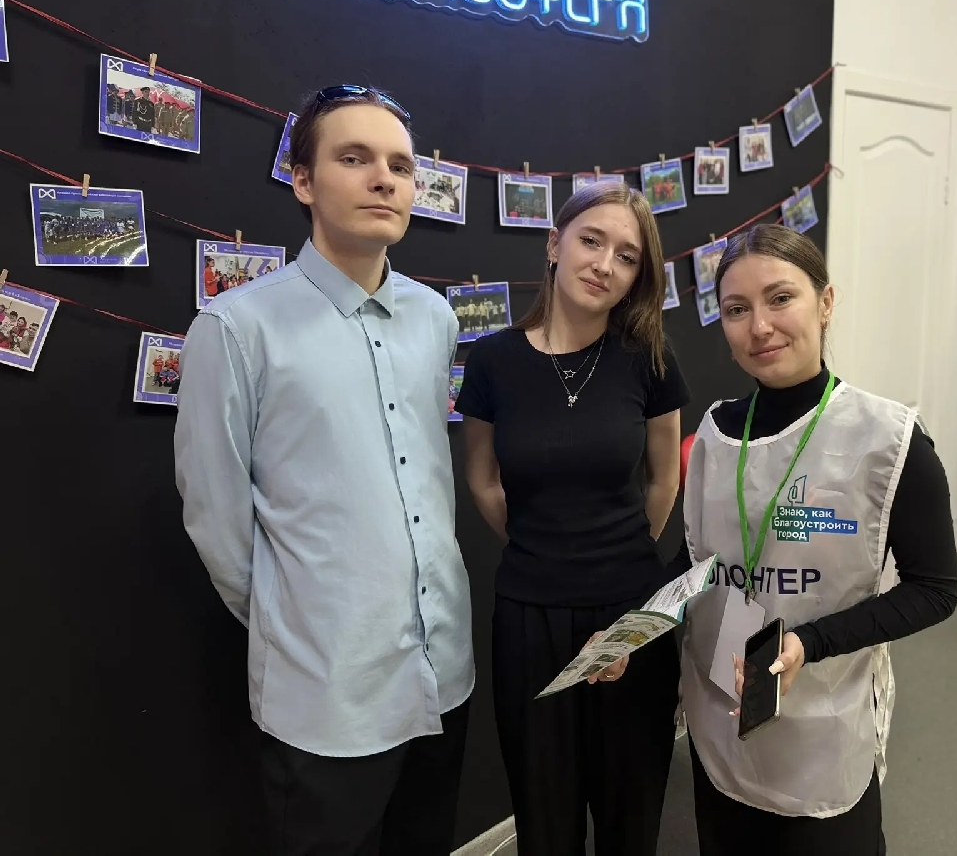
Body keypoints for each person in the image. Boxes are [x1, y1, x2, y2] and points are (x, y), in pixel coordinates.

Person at [174, 85, 473, 856]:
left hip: (442, 669)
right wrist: (302, 619)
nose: (384, 180)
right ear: (303, 180)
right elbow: (216, 518)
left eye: (400, 166)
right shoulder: (237, 328)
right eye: (355, 158)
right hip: (327, 693)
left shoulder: (434, 319)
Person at [675, 225, 957, 855]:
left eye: (781, 298)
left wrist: (812, 641)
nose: (760, 327)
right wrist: (631, 628)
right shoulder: (714, 434)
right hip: (721, 712)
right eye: (736, 309)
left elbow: (935, 591)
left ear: (825, 302)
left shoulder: (889, 441)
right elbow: (696, 562)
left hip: (824, 722)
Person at [455, 181, 691, 856]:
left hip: (630, 617)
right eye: (592, 240)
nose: (605, 265)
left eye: (627, 256)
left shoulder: (648, 357)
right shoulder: (493, 360)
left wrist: (619, 561)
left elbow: (665, 477)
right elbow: (482, 478)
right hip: (527, 616)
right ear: (555, 244)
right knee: (544, 816)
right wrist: (542, 547)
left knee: (630, 813)